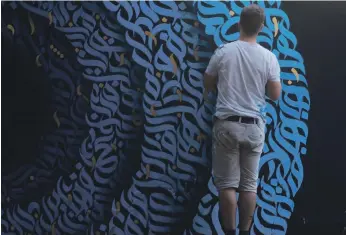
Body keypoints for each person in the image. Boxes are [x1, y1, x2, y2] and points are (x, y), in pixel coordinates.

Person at [203, 4, 282, 235]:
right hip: (254, 127)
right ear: (262, 28)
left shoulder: (224, 52)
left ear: (239, 24)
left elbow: (208, 82)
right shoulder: (269, 57)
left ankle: (229, 232)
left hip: (226, 124)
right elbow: (275, 94)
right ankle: (245, 232)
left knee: (227, 185)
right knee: (249, 186)